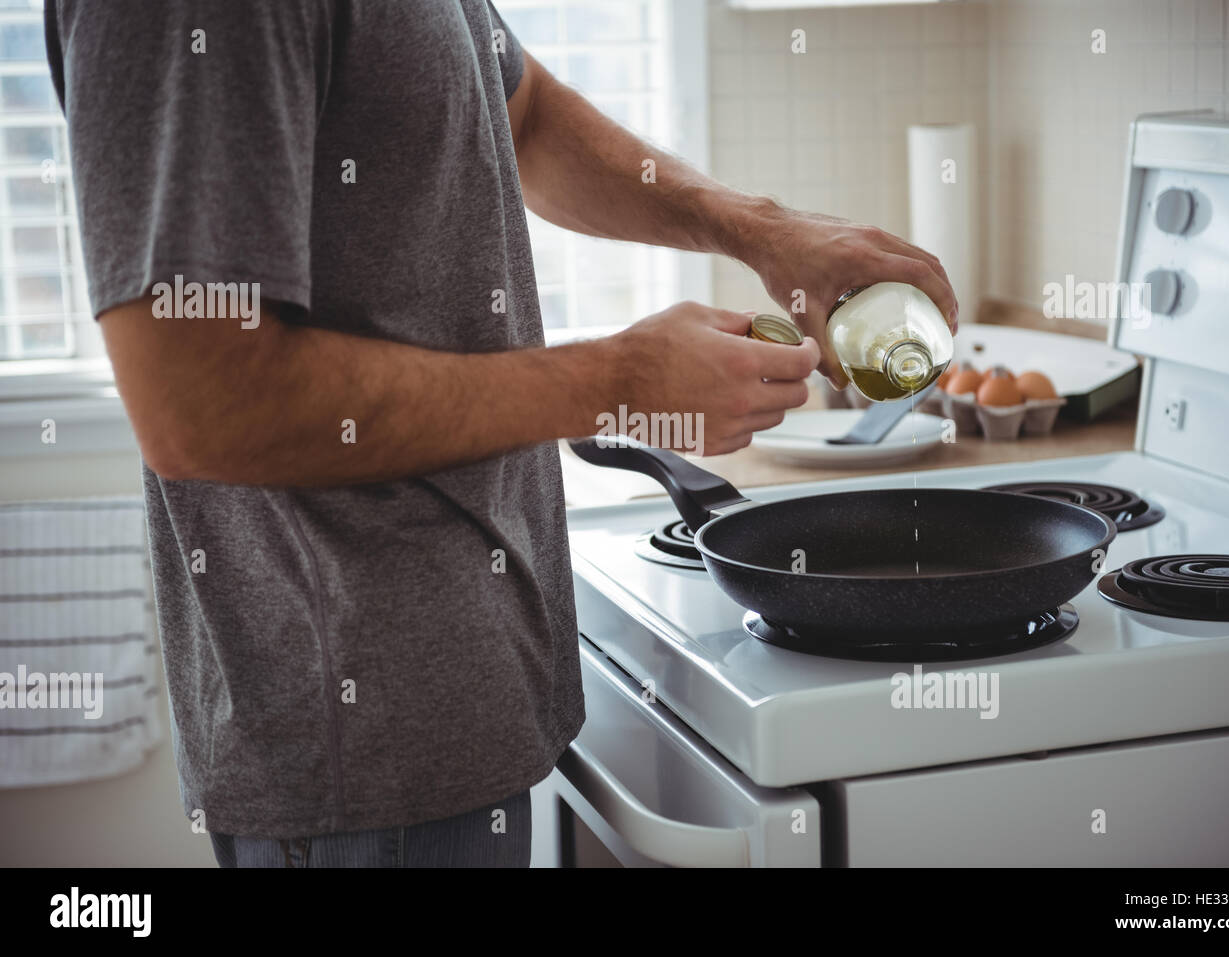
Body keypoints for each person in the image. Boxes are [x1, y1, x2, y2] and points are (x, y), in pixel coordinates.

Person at [45, 0, 956, 867]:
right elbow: (201, 402)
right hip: (364, 768)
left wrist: (762, 231)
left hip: (465, 716)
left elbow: (518, 113)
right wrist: (619, 381)